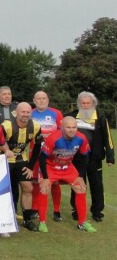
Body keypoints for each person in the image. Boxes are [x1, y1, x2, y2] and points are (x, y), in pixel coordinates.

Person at [31, 117, 97, 233]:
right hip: (50, 167)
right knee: (44, 188)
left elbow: (85, 157)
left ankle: (82, 222)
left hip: (67, 166)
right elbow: (42, 157)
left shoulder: (81, 138)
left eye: (74, 127)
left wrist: (80, 176)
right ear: (62, 128)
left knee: (80, 188)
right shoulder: (54, 138)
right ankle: (42, 222)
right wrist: (46, 178)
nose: (72, 130)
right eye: (68, 127)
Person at [66, 92, 114, 222]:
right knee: (77, 184)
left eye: (88, 103)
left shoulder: (100, 118)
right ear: (79, 104)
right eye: (83, 103)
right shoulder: (71, 116)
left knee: (97, 185)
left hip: (94, 158)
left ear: (93, 104)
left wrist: (110, 157)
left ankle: (97, 211)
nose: (85, 106)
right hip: (76, 158)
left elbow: (107, 137)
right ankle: (76, 210)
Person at [0, 102, 42, 231]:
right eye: (22, 112)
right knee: (3, 190)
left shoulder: (35, 126)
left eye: (28, 112)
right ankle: (4, 218)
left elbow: (37, 147)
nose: (25, 114)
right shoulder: (6, 126)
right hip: (3, 160)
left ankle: (27, 219)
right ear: (16, 113)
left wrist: (30, 166)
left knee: (28, 187)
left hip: (21, 160)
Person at [31, 91, 64, 220]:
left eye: (44, 98)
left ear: (48, 99)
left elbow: (63, 132)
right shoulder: (30, 113)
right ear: (34, 100)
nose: (41, 101)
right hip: (35, 152)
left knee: (55, 183)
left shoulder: (56, 113)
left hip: (52, 154)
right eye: (38, 99)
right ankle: (35, 208)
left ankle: (57, 211)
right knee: (35, 181)